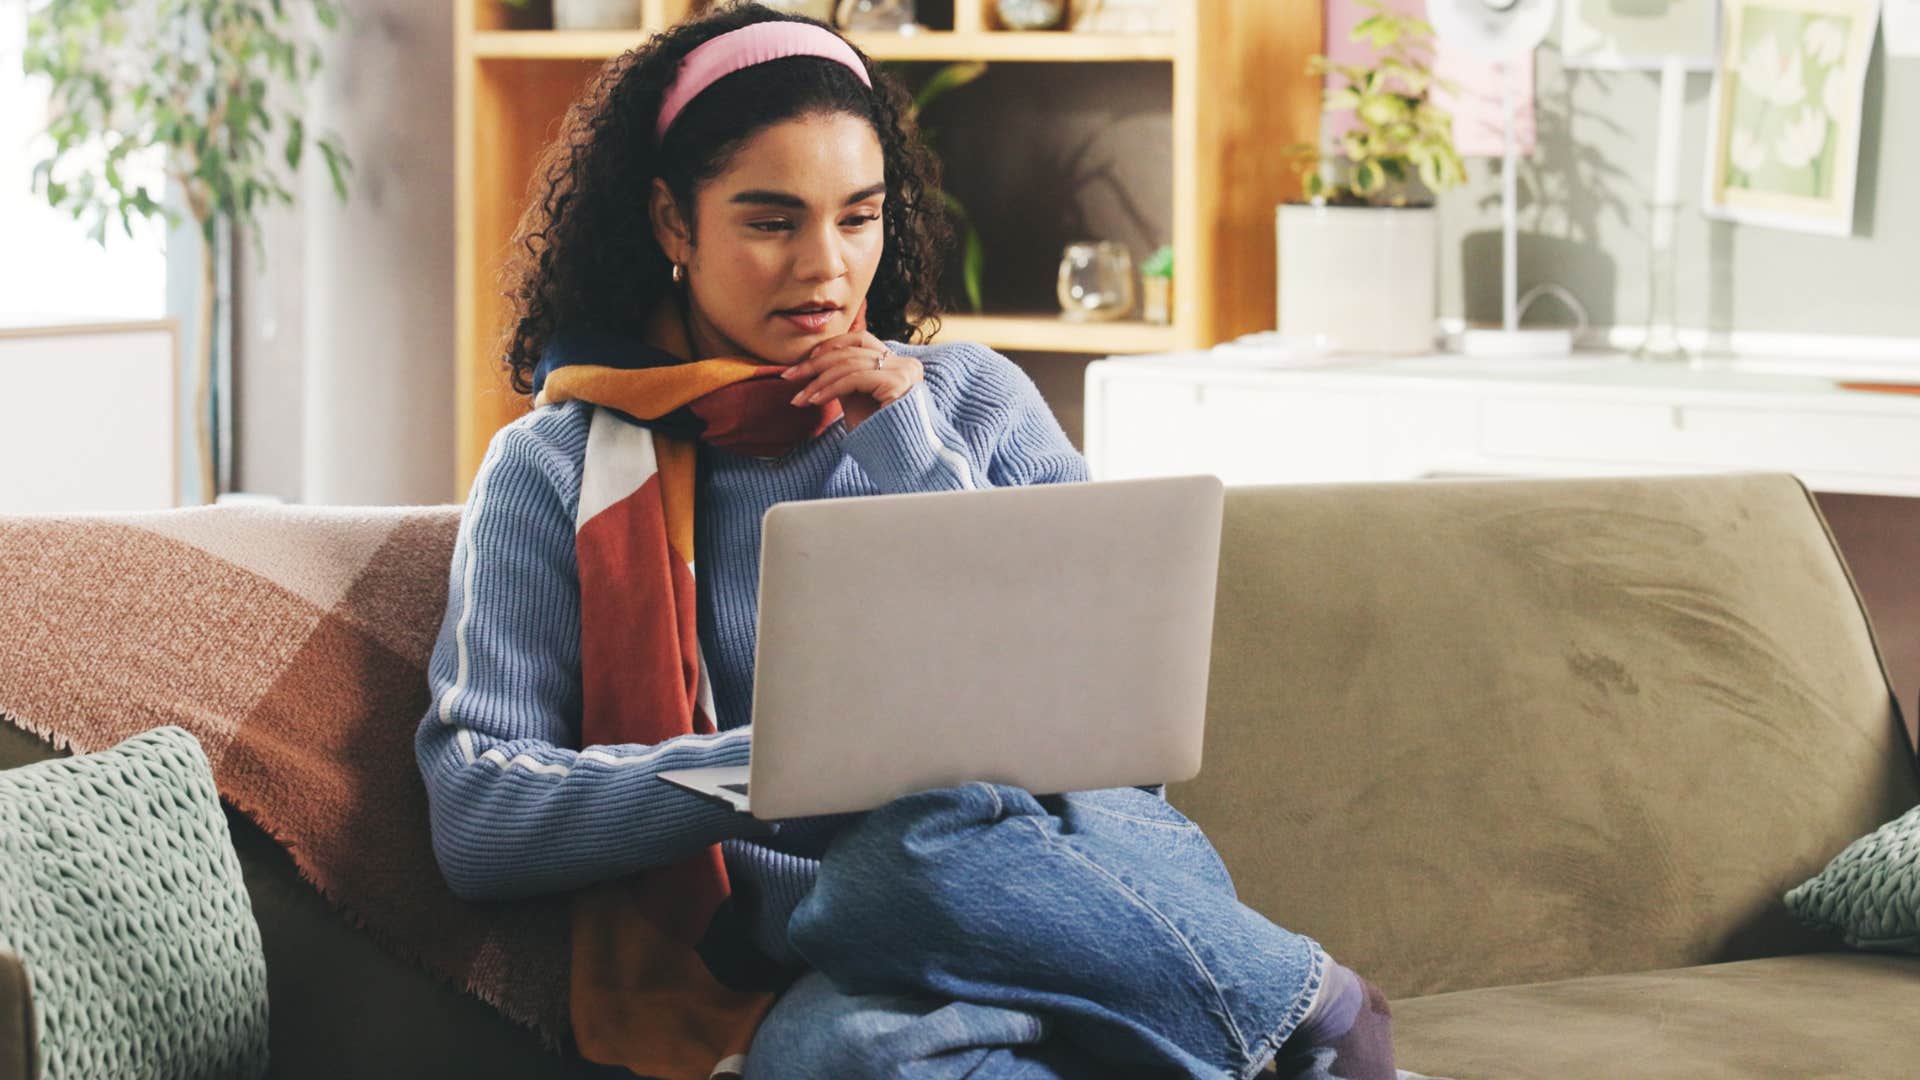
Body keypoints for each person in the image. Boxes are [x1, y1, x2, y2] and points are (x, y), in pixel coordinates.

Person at [415, 5, 1398, 1078]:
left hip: (1072, 873)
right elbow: (479, 815)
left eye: (858, 217)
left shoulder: (973, 400)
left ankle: (1321, 1009)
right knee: (833, 1042)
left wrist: (907, 447)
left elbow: (1112, 741)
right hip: (822, 954)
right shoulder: (553, 472)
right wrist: (775, 773)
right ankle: (1241, 1029)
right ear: (671, 224)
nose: (826, 269)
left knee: (915, 855)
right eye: (771, 221)